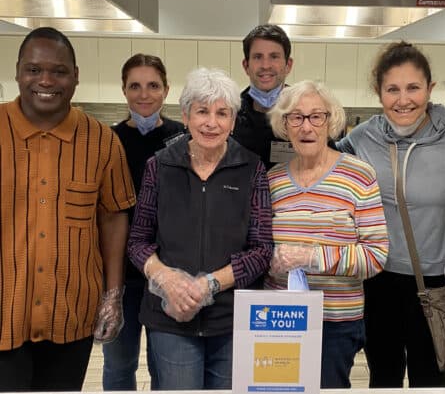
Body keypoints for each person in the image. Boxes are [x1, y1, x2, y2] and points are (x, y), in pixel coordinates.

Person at [336, 41, 445, 388]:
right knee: (383, 376)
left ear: (430, 89)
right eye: (392, 89)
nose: (403, 99)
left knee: (431, 380)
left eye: (413, 88)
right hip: (379, 281)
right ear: (379, 92)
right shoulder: (363, 137)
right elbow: (329, 170)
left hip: (437, 283)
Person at [0, 27, 135, 391]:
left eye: (59, 71)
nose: (46, 80)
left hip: (71, 317)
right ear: (17, 72)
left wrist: (113, 295)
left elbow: (112, 217)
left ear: (75, 76)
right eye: (34, 69)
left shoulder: (102, 141)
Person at [127, 67, 273, 390]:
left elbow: (262, 249)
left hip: (232, 318)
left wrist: (210, 284)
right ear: (186, 115)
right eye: (202, 111)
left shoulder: (252, 169)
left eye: (222, 113)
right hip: (170, 317)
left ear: (233, 121)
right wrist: (166, 278)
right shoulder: (160, 165)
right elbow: (138, 241)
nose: (212, 122)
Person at [265, 80, 389, 389]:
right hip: (278, 318)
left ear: (330, 122)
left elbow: (376, 255)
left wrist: (312, 257)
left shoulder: (359, 176)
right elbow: (259, 245)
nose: (306, 127)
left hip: (335, 322)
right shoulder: (272, 181)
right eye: (296, 117)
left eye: (316, 116)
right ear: (284, 125)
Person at [102, 53, 185, 391]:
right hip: (120, 275)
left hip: (167, 274)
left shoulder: (183, 138)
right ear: (123, 90)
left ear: (166, 90)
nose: (144, 94)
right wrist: (109, 288)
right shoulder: (108, 141)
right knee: (119, 365)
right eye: (135, 86)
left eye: (153, 85)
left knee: (163, 367)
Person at [232, 24, 294, 170]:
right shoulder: (229, 115)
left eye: (274, 57)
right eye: (257, 57)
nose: (265, 65)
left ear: (288, 65)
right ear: (246, 65)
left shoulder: (307, 116)